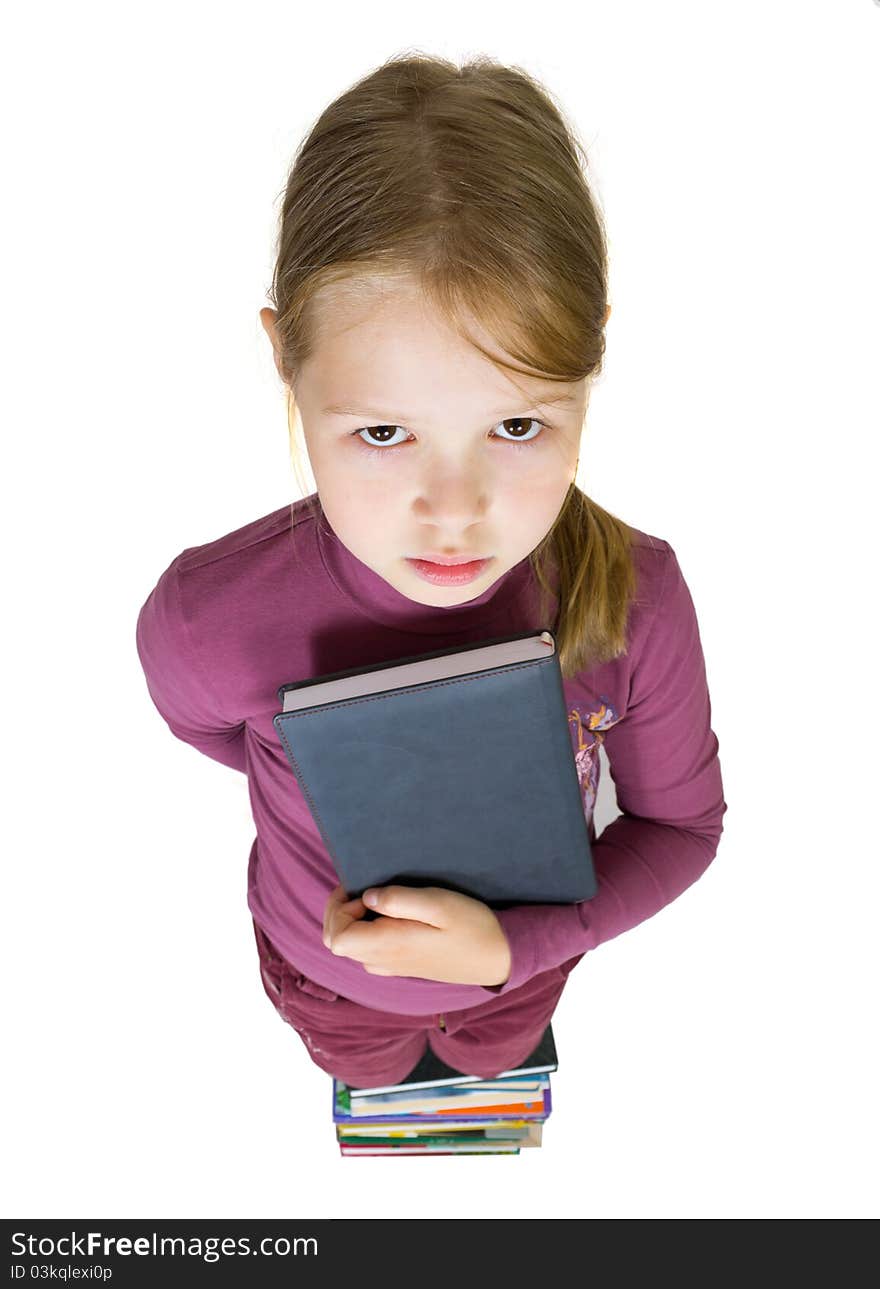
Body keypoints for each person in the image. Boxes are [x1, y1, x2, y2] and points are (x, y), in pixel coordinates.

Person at [135, 52, 727, 1091]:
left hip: (525, 975)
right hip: (321, 970)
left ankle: (485, 1082)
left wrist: (510, 952)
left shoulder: (641, 600)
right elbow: (210, 729)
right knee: (362, 1067)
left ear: (589, 357)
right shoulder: (205, 617)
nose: (454, 512)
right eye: (381, 430)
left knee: (492, 1059)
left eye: (514, 423)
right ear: (284, 355)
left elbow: (680, 824)